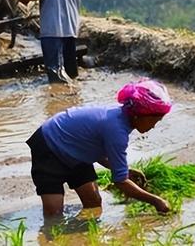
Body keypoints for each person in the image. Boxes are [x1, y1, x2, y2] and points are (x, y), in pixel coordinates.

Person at [26, 79, 173, 216]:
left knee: (93, 203)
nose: (153, 126)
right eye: (154, 120)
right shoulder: (117, 130)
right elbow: (120, 182)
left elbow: (95, 148)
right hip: (49, 146)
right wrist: (156, 201)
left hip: (77, 150)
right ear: (139, 115)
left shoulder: (121, 118)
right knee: (54, 214)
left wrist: (124, 170)